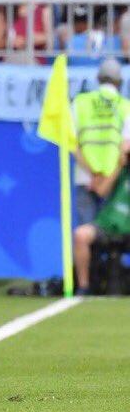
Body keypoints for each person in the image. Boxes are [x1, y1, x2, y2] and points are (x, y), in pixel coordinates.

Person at [72, 57, 130, 228]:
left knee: (84, 235)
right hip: (113, 181)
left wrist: (93, 174)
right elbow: (125, 148)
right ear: (119, 82)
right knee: (110, 236)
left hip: (85, 178)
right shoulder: (125, 106)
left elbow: (71, 144)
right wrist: (105, 180)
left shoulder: (80, 103)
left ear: (98, 79)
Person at [73, 146, 130, 295]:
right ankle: (84, 287)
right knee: (80, 235)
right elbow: (101, 190)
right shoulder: (121, 172)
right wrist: (119, 165)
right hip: (108, 225)